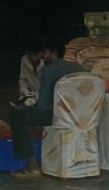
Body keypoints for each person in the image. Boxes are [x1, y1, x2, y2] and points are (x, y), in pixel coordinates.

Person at [8, 40, 84, 177]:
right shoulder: (79, 68)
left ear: (54, 53)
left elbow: (42, 107)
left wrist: (26, 108)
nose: (42, 56)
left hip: (58, 116)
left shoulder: (49, 72)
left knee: (17, 116)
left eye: (45, 52)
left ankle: (32, 166)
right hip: (82, 116)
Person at [16, 42, 51, 106]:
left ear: (41, 53)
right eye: (30, 55)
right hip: (30, 94)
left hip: (44, 96)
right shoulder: (24, 59)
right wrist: (25, 91)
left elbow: (49, 84)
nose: (32, 58)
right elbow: (23, 79)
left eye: (35, 54)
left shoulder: (46, 62)